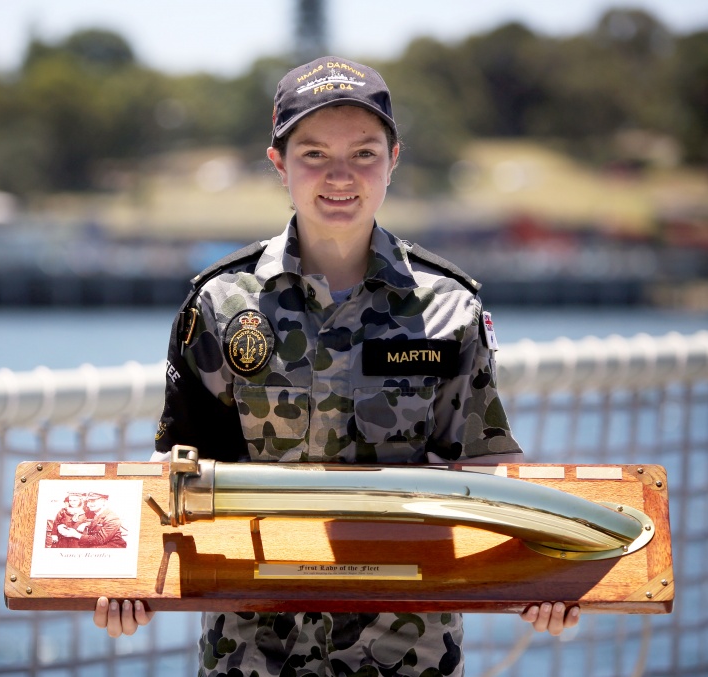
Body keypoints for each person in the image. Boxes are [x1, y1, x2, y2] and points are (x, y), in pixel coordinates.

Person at [93, 56, 580, 674]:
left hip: (405, 650)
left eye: (365, 154)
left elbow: (484, 464)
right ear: (279, 164)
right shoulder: (220, 302)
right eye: (315, 154)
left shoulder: (449, 308)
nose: (340, 175)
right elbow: (179, 472)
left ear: (395, 158)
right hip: (251, 649)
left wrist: (548, 575)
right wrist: (127, 578)